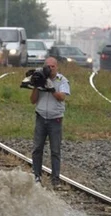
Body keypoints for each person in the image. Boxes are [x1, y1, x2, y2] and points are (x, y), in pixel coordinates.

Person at [30, 57, 71, 186]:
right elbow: (32, 100)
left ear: (56, 67)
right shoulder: (40, 77)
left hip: (55, 119)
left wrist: (51, 88)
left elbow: (61, 97)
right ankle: (36, 175)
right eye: (48, 66)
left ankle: (55, 178)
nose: (50, 69)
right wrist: (37, 85)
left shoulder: (62, 80)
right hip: (41, 117)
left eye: (53, 66)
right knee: (37, 148)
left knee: (55, 149)